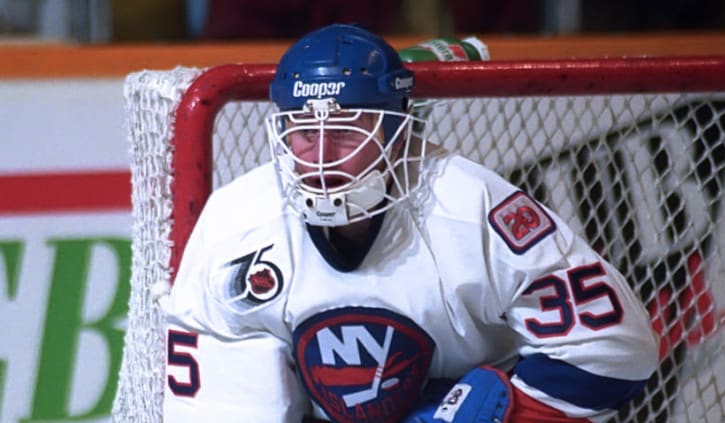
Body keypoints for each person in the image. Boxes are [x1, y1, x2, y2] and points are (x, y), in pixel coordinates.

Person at [159, 23, 659, 422]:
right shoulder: (236, 224)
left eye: (349, 131)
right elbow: (223, 406)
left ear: (398, 132)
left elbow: (616, 350)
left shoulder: (471, 208)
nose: (321, 159)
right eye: (304, 132)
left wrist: (504, 409)